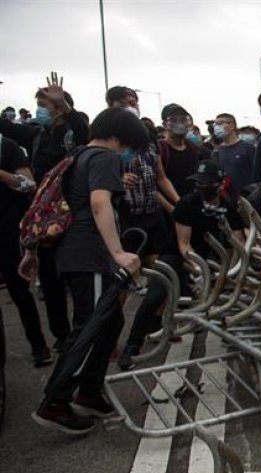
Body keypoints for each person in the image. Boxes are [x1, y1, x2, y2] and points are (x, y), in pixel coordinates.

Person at [21, 108, 148, 434]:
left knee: (110, 321)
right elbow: (99, 203)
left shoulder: (79, 155)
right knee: (91, 326)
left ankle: (89, 393)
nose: (129, 152)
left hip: (78, 254)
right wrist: (118, 252)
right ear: (119, 137)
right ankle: (56, 401)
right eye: (131, 145)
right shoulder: (105, 158)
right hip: (88, 254)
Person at [118, 160, 246, 370]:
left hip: (210, 258)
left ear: (220, 184)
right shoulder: (188, 203)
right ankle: (132, 346)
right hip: (177, 256)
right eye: (198, 183)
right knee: (155, 297)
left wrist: (228, 273)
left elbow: (238, 244)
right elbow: (183, 244)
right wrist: (199, 273)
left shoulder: (228, 207)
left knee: (225, 295)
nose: (201, 188)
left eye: (207, 184)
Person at [0, 72, 88, 351]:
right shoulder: (35, 134)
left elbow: (84, 130)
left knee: (76, 276)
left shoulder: (75, 127)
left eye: (47, 103)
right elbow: (5, 126)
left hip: (73, 210)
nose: (42, 108)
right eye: (40, 102)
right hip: (45, 216)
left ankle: (82, 330)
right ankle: (61, 335)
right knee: (49, 279)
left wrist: (63, 103)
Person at [105, 86, 181, 266]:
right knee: (128, 268)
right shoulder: (106, 138)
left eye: (133, 103)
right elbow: (96, 178)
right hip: (125, 215)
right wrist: (119, 179)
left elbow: (161, 178)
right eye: (123, 104)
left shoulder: (148, 138)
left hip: (152, 212)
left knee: (157, 264)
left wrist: (178, 202)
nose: (131, 107)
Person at [0, 132, 50, 366]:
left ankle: (39, 346)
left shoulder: (6, 147)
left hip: (8, 231)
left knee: (19, 291)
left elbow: (28, 184)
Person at [158, 103, 203, 198]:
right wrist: (176, 207)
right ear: (164, 124)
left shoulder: (193, 147)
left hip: (191, 204)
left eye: (183, 119)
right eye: (174, 120)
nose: (179, 123)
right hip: (170, 207)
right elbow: (156, 183)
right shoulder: (160, 148)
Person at [211, 113, 255, 197]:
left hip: (246, 197)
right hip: (225, 198)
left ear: (232, 126)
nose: (216, 127)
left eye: (220, 123)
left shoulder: (248, 148)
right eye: (215, 124)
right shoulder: (216, 151)